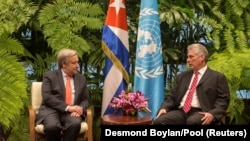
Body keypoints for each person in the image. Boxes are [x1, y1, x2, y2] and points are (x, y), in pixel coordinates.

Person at [153, 43, 230, 125]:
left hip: (201, 112)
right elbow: (171, 96)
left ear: (202, 57)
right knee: (159, 121)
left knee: (192, 122)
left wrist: (213, 114)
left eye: (191, 57)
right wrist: (164, 108)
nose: (188, 60)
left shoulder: (217, 77)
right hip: (181, 111)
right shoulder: (182, 76)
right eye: (187, 57)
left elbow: (223, 100)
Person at [35, 48, 89, 141]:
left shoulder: (81, 78)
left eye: (77, 62)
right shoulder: (49, 76)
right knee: (52, 127)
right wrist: (68, 107)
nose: (77, 66)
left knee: (75, 124)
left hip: (72, 113)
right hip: (51, 110)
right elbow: (47, 97)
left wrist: (80, 108)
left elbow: (86, 99)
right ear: (63, 64)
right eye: (73, 63)